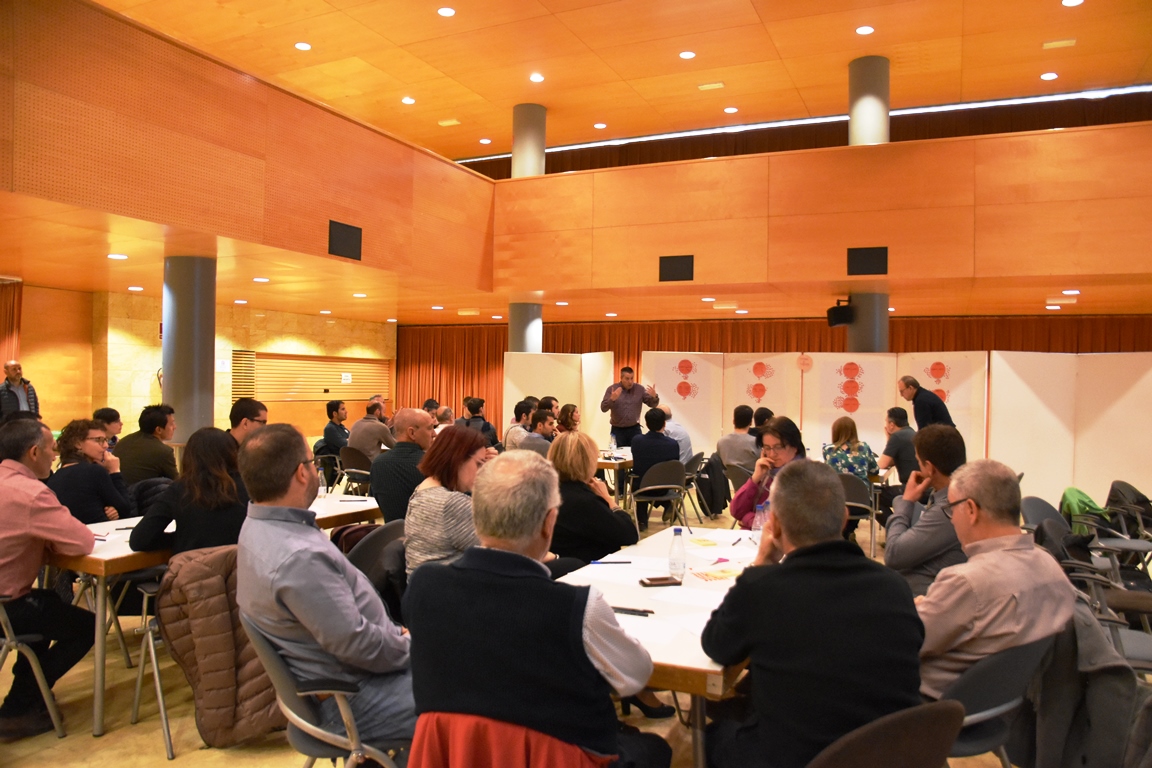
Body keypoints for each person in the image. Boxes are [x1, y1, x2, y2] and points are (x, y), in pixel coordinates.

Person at [403, 450, 672, 768]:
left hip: (456, 753)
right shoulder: (579, 607)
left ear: (475, 516)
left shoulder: (423, 585)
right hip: (561, 758)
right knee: (657, 747)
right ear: (549, 523)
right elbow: (636, 676)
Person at [701, 460, 923, 768]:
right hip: (890, 752)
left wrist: (762, 561)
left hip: (796, 756)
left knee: (712, 736)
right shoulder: (895, 587)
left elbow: (716, 645)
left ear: (775, 525)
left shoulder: (762, 588)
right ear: (844, 518)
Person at [236, 424, 415, 747]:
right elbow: (358, 645)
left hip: (350, 677)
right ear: (301, 473)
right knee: (481, 696)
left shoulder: (257, 528)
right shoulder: (298, 556)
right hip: (356, 696)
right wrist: (413, 646)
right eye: (311, 462)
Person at [917, 459, 1077, 699]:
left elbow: (904, 641)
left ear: (970, 510)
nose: (951, 519)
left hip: (928, 707)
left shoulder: (965, 582)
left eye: (951, 509)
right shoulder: (1051, 567)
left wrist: (913, 609)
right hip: (1006, 706)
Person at [0, 418, 96, 741]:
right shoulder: (31, 494)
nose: (55, 456)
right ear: (33, 453)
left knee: (48, 603)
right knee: (87, 626)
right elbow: (82, 542)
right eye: (51, 449)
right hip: (6, 606)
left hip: (9, 602)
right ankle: (20, 706)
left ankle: (26, 693)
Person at [129, 427, 250, 555]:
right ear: (233, 453)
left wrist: (180, 539)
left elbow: (139, 540)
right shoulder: (250, 488)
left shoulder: (180, 490)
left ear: (189, 457)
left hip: (193, 564)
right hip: (241, 565)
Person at [885, 424, 967, 597]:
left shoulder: (948, 509)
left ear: (929, 468)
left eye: (918, 460)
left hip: (924, 599)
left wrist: (906, 502)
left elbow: (893, 554)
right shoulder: (958, 496)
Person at [405, 426, 491, 575]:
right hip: (450, 586)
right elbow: (498, 552)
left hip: (425, 585)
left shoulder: (422, 490)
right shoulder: (452, 504)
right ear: (458, 459)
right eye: (479, 464)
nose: (482, 471)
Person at [548, 431, 638, 563]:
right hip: (589, 566)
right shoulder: (583, 501)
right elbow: (629, 534)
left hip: (562, 564)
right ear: (587, 462)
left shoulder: (547, 492)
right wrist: (608, 499)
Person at [45, 418, 131, 524]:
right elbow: (126, 509)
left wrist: (112, 509)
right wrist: (115, 471)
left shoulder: (56, 476)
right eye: (98, 440)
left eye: (105, 440)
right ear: (78, 444)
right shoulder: (94, 471)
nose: (106, 445)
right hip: (97, 532)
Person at [730, 416, 806, 531]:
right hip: (752, 537)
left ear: (795, 447)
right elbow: (736, 511)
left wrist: (747, 519)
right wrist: (755, 478)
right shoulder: (767, 473)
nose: (772, 454)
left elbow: (783, 526)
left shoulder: (803, 477)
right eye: (767, 448)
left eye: (778, 447)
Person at [370, 408, 436, 523]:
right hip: (426, 532)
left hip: (392, 532)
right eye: (430, 428)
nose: (434, 434)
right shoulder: (431, 464)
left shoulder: (377, 464)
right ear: (412, 433)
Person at [628, 408, 680, 531]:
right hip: (665, 487)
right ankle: (667, 504)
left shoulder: (637, 441)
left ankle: (642, 521)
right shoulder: (673, 444)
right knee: (650, 480)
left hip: (643, 487)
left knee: (638, 478)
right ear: (664, 424)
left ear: (646, 424)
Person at [113, 403, 178, 485]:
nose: (175, 427)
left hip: (118, 491)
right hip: (141, 492)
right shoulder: (164, 451)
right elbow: (177, 483)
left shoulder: (124, 441)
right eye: (171, 424)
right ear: (158, 430)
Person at [600, 366, 659, 448]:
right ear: (621, 378)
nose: (630, 382)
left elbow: (652, 404)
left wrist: (654, 397)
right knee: (617, 454)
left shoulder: (639, 389)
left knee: (638, 451)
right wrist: (611, 400)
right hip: (618, 430)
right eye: (627, 379)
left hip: (634, 429)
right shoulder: (612, 389)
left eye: (632, 378)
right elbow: (603, 408)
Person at [877, 407, 918, 522]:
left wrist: (890, 438)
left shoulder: (897, 437)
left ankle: (894, 526)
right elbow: (891, 461)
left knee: (873, 496)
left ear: (891, 425)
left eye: (886, 422)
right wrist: (888, 438)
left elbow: (881, 465)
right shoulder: (912, 433)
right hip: (922, 488)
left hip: (909, 488)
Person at [821, 416, 878, 484]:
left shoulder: (828, 449)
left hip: (836, 490)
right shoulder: (864, 447)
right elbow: (874, 470)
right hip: (860, 490)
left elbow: (827, 472)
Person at [716, 405, 758, 475]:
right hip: (754, 480)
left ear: (733, 421)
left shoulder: (721, 442)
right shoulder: (755, 442)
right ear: (751, 422)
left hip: (730, 480)